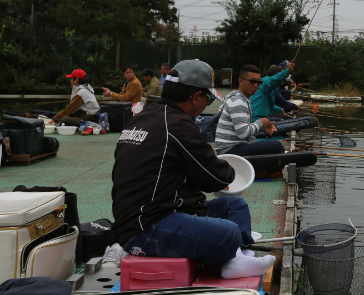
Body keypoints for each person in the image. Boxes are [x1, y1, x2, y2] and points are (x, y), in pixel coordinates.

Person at [109, 59, 274, 278]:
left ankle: (238, 257)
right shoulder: (178, 124)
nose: (205, 105)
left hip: (152, 213)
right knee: (228, 232)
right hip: (145, 228)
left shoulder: (145, 117)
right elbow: (217, 177)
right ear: (196, 97)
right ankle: (232, 257)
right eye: (207, 100)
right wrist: (226, 169)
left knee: (235, 206)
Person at [215, 64, 285, 156]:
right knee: (277, 146)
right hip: (229, 150)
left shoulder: (243, 99)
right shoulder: (238, 101)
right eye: (252, 81)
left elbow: (244, 129)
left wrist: (263, 126)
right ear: (240, 81)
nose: (255, 85)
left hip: (235, 146)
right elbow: (243, 133)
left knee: (271, 144)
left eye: (258, 82)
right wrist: (260, 122)